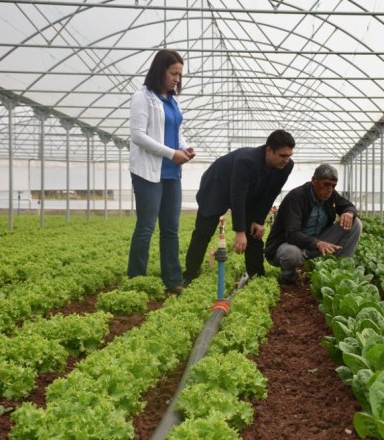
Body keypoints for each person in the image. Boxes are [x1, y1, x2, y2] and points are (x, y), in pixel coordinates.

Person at [183, 130, 295, 283]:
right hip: (217, 187)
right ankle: (190, 274)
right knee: (203, 231)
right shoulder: (246, 161)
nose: (286, 160)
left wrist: (258, 220)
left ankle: (256, 276)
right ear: (269, 150)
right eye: (282, 156)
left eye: (289, 155)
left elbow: (271, 193)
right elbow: (237, 196)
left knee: (254, 232)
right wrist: (239, 231)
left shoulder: (287, 166)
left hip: (250, 191)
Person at [127, 49, 195, 295]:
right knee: (146, 226)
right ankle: (136, 280)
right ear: (160, 71)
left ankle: (173, 280)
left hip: (171, 173)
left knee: (171, 228)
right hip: (148, 172)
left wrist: (184, 148)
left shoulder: (172, 101)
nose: (177, 79)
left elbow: (175, 132)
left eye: (179, 74)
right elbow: (138, 136)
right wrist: (171, 153)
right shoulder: (142, 97)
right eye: (173, 73)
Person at [265, 163, 362, 285]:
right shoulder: (296, 197)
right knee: (291, 254)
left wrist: (349, 212)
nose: (329, 189)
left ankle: (340, 271)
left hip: (314, 243)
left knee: (355, 223)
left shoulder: (331, 194)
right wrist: (317, 243)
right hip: (289, 244)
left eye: (333, 186)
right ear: (314, 181)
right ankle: (289, 277)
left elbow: (349, 206)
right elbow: (292, 234)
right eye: (326, 184)